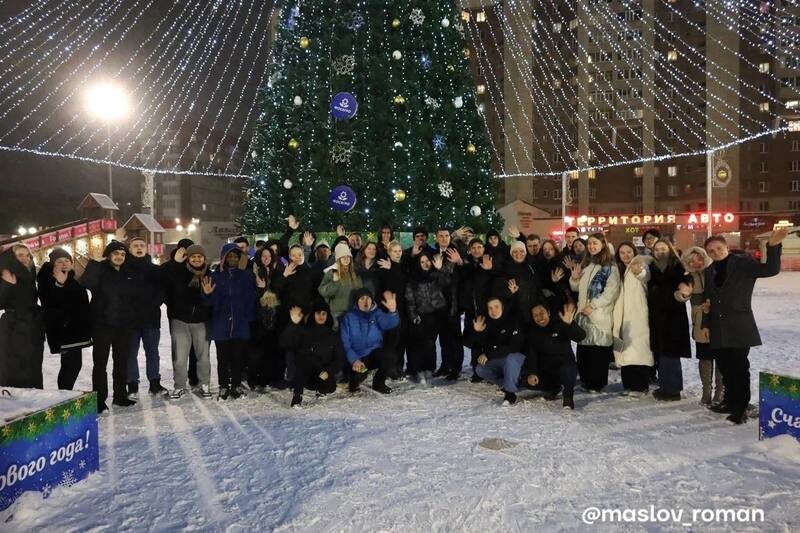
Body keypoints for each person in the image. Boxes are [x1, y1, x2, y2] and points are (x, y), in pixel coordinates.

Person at [703, 228, 787, 424]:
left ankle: (740, 409)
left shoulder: (742, 263)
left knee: (739, 369)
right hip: (718, 327)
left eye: (718, 248)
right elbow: (708, 300)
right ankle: (729, 402)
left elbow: (770, 269)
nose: (716, 252)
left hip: (739, 325)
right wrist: (706, 324)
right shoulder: (709, 271)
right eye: (711, 251)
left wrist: (773, 246)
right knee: (725, 368)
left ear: (726, 247)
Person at [79, 241, 137, 412]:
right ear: (108, 255)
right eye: (116, 253)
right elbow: (86, 282)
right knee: (100, 364)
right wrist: (94, 263)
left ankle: (120, 396)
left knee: (121, 362)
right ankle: (99, 400)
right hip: (102, 325)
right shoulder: (100, 269)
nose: (119, 257)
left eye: (123, 254)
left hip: (123, 325)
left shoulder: (128, 272)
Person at [202, 244, 257, 400]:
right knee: (223, 359)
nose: (232, 259)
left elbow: (251, 299)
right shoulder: (215, 276)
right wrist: (207, 295)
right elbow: (208, 304)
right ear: (224, 258)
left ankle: (236, 385)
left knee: (238, 358)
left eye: (235, 256)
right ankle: (224, 386)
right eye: (229, 256)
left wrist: (248, 318)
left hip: (240, 324)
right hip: (221, 324)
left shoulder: (246, 276)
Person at [568, 233, 620, 393]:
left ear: (603, 245)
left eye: (595, 243)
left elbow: (611, 292)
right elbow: (577, 289)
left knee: (598, 351)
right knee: (585, 350)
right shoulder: (587, 265)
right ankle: (586, 380)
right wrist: (574, 278)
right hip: (583, 315)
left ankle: (597, 383)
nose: (591, 246)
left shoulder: (610, 267)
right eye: (589, 243)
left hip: (599, 315)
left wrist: (594, 305)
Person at [162, 244, 213, 399]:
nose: (196, 259)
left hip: (202, 321)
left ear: (204, 258)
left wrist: (208, 296)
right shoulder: (179, 272)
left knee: (203, 357)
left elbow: (213, 301)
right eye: (193, 257)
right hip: (180, 321)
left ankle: (204, 384)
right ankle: (179, 386)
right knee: (180, 357)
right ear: (188, 258)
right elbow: (165, 283)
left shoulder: (209, 275)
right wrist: (175, 309)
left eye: (199, 256)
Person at [37, 248, 92, 390]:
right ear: (52, 264)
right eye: (59, 261)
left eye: (67, 260)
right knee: (71, 365)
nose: (64, 263)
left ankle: (65, 393)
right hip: (63, 330)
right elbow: (50, 302)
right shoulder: (47, 278)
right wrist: (60, 284)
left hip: (75, 329)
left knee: (73, 365)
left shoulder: (72, 278)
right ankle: (64, 394)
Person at [647, 239, 692, 401]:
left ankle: (673, 390)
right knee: (661, 353)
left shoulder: (678, 266)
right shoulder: (652, 267)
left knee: (671, 354)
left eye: (663, 249)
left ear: (670, 250)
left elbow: (686, 284)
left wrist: (684, 291)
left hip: (673, 317)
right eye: (657, 249)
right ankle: (665, 386)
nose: (660, 252)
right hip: (656, 316)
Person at [678, 246, 723, 406]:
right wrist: (683, 294)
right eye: (691, 261)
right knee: (704, 357)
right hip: (700, 322)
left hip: (719, 320)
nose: (696, 263)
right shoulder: (688, 277)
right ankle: (706, 391)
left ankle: (720, 392)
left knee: (721, 357)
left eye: (699, 259)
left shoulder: (715, 271)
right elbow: (680, 295)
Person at [280, 301, 343, 407]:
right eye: (318, 313)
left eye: (324, 313)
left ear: (328, 316)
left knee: (330, 386)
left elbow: (339, 358)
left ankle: (321, 391)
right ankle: (297, 396)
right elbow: (285, 343)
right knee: (303, 359)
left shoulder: (333, 335)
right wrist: (293, 324)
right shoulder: (304, 331)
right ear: (313, 314)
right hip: (305, 375)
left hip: (322, 373)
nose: (321, 316)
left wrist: (329, 371)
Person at [524, 301, 586, 409]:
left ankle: (568, 396)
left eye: (542, 313)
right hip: (547, 369)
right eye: (535, 315)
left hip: (564, 366)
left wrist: (570, 325)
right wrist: (532, 373)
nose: (539, 317)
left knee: (568, 369)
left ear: (548, 312)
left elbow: (581, 337)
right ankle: (553, 388)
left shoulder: (561, 323)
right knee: (526, 380)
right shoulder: (533, 332)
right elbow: (532, 355)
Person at [126, 237, 167, 397]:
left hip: (151, 319)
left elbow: (161, 292)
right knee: (130, 354)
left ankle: (154, 383)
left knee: (152, 353)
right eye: (135, 245)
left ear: (146, 248)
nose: (139, 248)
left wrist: (152, 304)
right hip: (130, 321)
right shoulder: (124, 269)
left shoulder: (155, 270)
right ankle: (132, 385)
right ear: (130, 249)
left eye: (142, 245)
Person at [612, 242, 654, 397]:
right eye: (622, 253)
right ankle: (628, 384)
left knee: (639, 350)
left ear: (634, 252)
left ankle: (641, 386)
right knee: (624, 350)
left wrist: (639, 272)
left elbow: (645, 275)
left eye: (628, 252)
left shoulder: (640, 264)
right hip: (622, 315)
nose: (626, 255)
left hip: (637, 315)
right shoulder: (618, 269)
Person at [0, 244, 44, 389]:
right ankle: (15, 396)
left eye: (27, 255)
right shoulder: (6, 273)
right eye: (20, 255)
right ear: (12, 258)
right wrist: (7, 284)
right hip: (13, 326)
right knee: (14, 365)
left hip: (32, 325)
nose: (25, 258)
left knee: (33, 364)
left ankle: (34, 393)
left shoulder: (30, 274)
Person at [339, 288, 399, 394]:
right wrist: (354, 360)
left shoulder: (377, 313)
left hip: (374, 353)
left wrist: (393, 312)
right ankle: (353, 380)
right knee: (358, 378)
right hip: (358, 357)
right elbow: (345, 344)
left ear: (372, 300)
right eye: (362, 299)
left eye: (368, 298)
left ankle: (379, 384)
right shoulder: (349, 317)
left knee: (389, 357)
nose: (365, 301)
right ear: (357, 301)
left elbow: (389, 323)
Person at [457, 238, 499, 381]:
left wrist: (490, 269)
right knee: (475, 340)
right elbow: (462, 283)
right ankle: (477, 371)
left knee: (488, 339)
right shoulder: (467, 264)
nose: (476, 250)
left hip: (487, 308)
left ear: (483, 248)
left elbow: (498, 276)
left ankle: (489, 369)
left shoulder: (489, 261)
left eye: (479, 247)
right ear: (470, 249)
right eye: (473, 247)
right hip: (471, 309)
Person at [405, 252, 450, 384]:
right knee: (418, 344)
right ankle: (419, 370)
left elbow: (446, 282)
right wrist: (413, 315)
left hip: (435, 314)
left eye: (427, 261)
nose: (425, 264)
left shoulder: (436, 274)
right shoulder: (413, 278)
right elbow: (409, 299)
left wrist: (440, 269)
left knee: (430, 344)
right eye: (422, 262)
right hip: (419, 315)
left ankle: (429, 369)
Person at [471, 297, 525, 406]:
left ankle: (510, 393)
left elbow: (514, 347)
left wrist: (489, 354)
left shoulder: (513, 320)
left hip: (517, 358)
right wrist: (478, 332)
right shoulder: (486, 323)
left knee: (511, 358)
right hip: (498, 358)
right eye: (490, 308)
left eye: (496, 307)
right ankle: (506, 384)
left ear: (502, 307)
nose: (493, 310)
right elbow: (473, 344)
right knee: (480, 369)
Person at [430, 226, 464, 380]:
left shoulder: (455, 251)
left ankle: (456, 368)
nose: (444, 238)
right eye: (441, 236)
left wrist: (459, 262)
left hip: (453, 301)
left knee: (455, 337)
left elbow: (454, 277)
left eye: (446, 236)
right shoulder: (433, 254)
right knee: (443, 337)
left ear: (450, 238)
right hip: (438, 303)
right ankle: (445, 365)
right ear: (437, 238)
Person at [165, 238, 199, 387]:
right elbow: (165, 285)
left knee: (195, 349)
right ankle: (179, 379)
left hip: (196, 315)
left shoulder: (197, 265)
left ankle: (194, 376)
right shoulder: (171, 266)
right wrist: (173, 305)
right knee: (179, 350)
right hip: (177, 315)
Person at [249, 246, 284, 391]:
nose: (266, 258)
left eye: (269, 256)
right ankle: (257, 379)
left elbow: (279, 291)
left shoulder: (277, 271)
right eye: (263, 256)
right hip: (258, 317)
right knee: (258, 351)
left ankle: (272, 378)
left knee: (273, 349)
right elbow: (252, 295)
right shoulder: (254, 271)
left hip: (275, 316)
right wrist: (262, 289)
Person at [378, 240, 409, 378]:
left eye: (399, 251)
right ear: (389, 252)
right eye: (395, 251)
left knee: (401, 339)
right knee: (391, 340)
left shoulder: (403, 267)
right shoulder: (383, 267)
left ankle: (399, 367)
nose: (398, 253)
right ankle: (390, 368)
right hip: (388, 309)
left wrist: (393, 268)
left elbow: (403, 284)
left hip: (402, 308)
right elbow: (384, 288)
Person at [495, 240, 542, 325]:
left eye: (521, 251)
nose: (518, 254)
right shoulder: (505, 269)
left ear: (525, 252)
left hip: (533, 312)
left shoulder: (531, 267)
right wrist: (510, 292)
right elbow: (498, 292)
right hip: (515, 315)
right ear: (511, 254)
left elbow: (538, 287)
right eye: (515, 251)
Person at [318, 243, 363, 327]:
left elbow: (360, 291)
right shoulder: (332, 272)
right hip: (336, 313)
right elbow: (323, 291)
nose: (346, 259)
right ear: (338, 259)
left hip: (353, 312)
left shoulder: (355, 273)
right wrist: (335, 282)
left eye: (348, 257)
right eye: (343, 257)